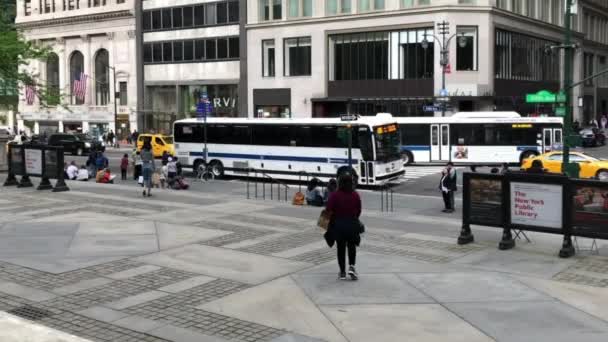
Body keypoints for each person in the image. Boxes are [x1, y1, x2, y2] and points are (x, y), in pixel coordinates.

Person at [326, 173, 362, 281]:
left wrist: (325, 224)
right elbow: (359, 210)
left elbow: (328, 210)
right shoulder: (355, 194)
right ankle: (352, 266)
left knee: (341, 249)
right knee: (352, 246)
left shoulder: (335, 195)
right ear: (351, 182)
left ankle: (342, 272)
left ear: (339, 183)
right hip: (352, 224)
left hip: (339, 225)